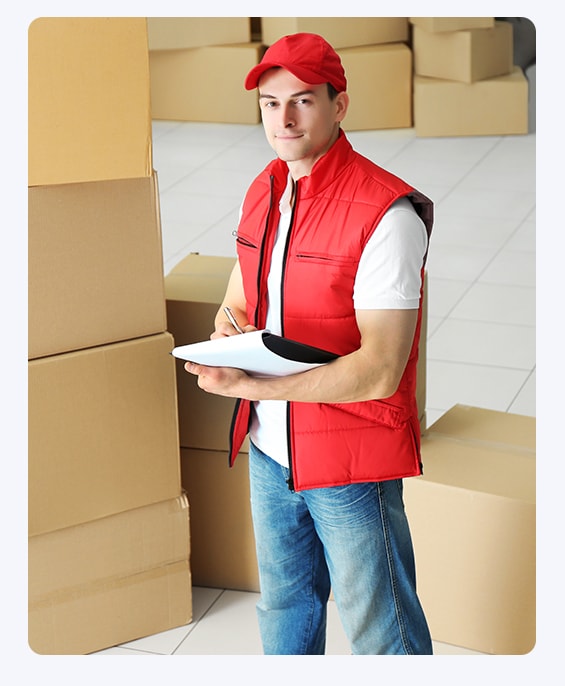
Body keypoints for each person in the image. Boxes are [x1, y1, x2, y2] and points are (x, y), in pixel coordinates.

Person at [184, 32, 434, 655]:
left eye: (302, 101)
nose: (284, 119)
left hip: (349, 460)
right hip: (270, 448)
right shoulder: (265, 188)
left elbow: (379, 371)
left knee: (382, 629)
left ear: (339, 105)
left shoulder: (386, 215)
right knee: (285, 608)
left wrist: (255, 385)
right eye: (271, 104)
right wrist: (225, 343)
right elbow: (239, 300)